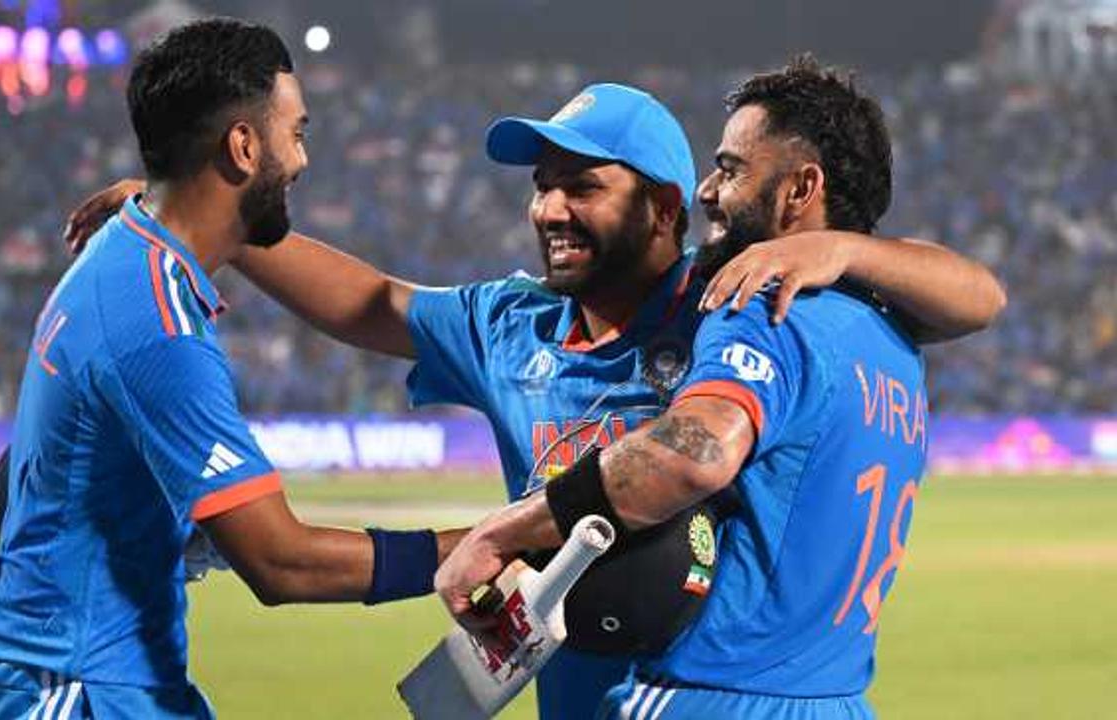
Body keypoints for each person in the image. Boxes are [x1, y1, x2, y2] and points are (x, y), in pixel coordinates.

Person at [65, 82, 1005, 720]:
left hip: (681, 687)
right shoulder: (510, 325)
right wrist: (197, 215)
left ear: (666, 210)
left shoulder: (732, 302)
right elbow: (371, 303)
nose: (550, 209)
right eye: (542, 187)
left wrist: (832, 247)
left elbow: (973, 292)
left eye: (583, 187)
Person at [435, 55, 972, 719]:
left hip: (711, 697)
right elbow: (981, 295)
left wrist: (501, 532)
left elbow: (692, 452)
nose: (708, 191)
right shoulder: (894, 338)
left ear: (799, 189)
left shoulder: (762, 303)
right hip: (835, 700)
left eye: (732, 168)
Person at [0, 19, 462, 720]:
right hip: (73, 692)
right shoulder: (154, 321)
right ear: (244, 146)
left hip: (109, 680)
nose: (304, 159)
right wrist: (477, 549)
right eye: (297, 132)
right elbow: (282, 562)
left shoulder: (125, 253)